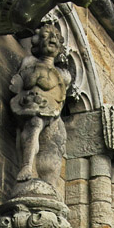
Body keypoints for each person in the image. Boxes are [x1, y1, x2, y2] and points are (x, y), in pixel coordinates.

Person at [10, 25, 71, 186]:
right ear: (37, 42)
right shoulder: (29, 62)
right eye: (46, 36)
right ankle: (27, 166)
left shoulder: (64, 75)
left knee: (53, 150)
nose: (52, 39)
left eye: (56, 38)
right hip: (30, 105)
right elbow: (19, 83)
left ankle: (48, 183)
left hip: (50, 111)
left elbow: (59, 96)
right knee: (34, 125)